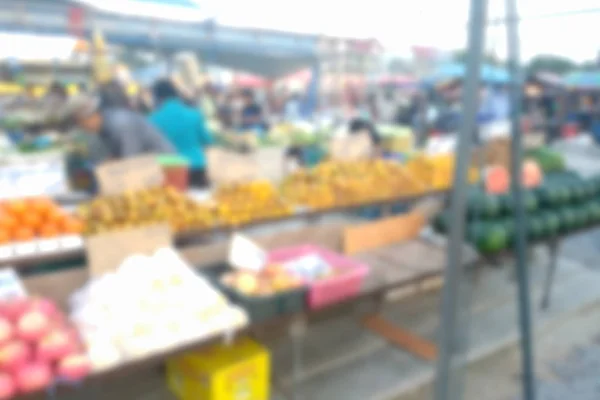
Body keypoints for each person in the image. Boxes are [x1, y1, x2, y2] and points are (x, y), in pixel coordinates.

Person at [63, 92, 173, 163]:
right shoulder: (105, 128)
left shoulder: (120, 123)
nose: (83, 128)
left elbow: (131, 160)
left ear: (90, 115)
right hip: (149, 164)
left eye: (81, 123)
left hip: (165, 164)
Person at [149, 79, 213, 188]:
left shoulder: (152, 120)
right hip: (197, 166)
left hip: (169, 169)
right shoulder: (194, 115)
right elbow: (207, 140)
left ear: (157, 97)